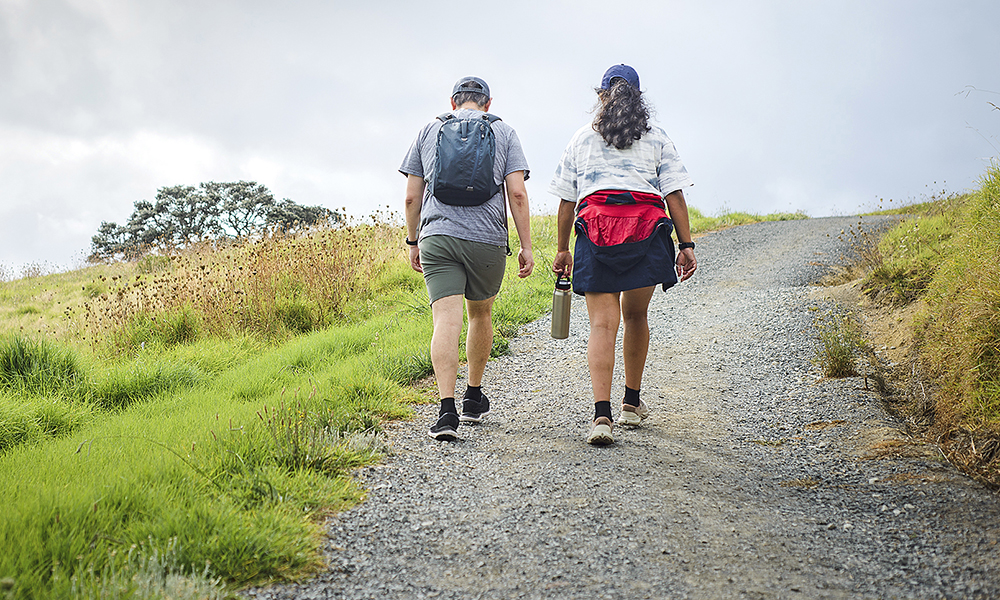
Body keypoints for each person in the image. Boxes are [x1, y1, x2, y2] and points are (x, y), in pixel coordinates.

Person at [549, 64, 697, 445]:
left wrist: (564, 248)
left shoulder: (582, 138)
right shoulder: (656, 136)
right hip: (647, 234)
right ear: (638, 96)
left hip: (595, 234)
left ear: (601, 96)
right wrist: (686, 245)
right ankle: (631, 403)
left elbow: (567, 201)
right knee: (636, 315)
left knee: (602, 325)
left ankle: (602, 417)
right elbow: (674, 195)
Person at [400, 76, 534, 441]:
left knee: (445, 320)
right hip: (486, 240)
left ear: (453, 101)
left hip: (438, 238)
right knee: (481, 313)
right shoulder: (504, 132)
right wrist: (526, 245)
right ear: (488, 103)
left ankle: (446, 411)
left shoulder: (429, 130)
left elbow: (412, 197)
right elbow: (517, 194)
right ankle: (473, 396)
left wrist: (413, 240)